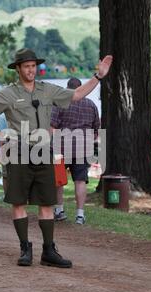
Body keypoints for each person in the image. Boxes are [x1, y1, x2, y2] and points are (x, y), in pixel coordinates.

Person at [0, 48, 112, 268]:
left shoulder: (48, 90)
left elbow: (77, 95)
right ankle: (25, 248)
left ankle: (49, 251)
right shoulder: (8, 93)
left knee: (47, 202)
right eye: (26, 66)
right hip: (19, 152)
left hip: (43, 152)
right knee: (19, 202)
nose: (31, 70)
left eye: (33, 66)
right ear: (18, 69)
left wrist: (98, 76)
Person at [50, 77, 100, 225]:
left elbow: (52, 126)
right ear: (81, 87)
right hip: (82, 148)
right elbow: (96, 129)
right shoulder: (91, 105)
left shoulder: (60, 102)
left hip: (60, 148)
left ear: (67, 88)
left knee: (58, 181)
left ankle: (59, 211)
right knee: (80, 181)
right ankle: (80, 215)